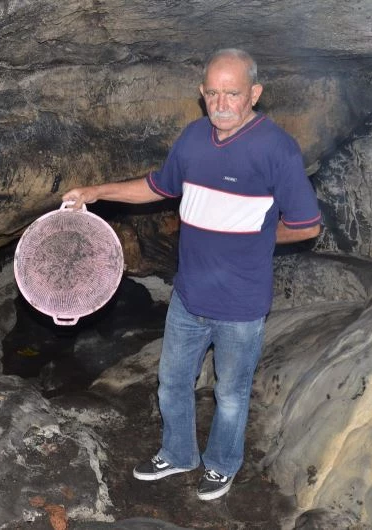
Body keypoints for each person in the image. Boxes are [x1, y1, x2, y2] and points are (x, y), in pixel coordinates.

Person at [62, 48, 321, 501]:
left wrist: (257, 236)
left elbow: (306, 225)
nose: (221, 103)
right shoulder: (193, 138)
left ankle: (221, 465)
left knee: (231, 395)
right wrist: (97, 191)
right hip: (188, 296)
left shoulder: (276, 149)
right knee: (172, 384)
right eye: (213, 93)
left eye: (233, 93)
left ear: (254, 94)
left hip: (240, 306)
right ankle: (179, 453)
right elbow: (157, 186)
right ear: (202, 94)